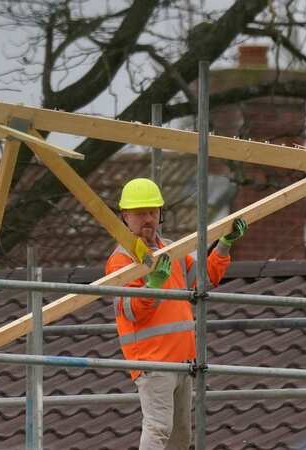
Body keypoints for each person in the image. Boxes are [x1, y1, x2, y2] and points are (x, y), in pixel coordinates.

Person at [105, 178, 247, 450]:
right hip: (152, 361)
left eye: (152, 212)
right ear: (125, 217)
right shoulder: (122, 259)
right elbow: (129, 311)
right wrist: (153, 286)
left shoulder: (172, 250)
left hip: (183, 360)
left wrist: (224, 244)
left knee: (180, 438)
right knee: (159, 428)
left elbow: (202, 280)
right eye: (139, 213)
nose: (147, 219)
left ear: (160, 213)